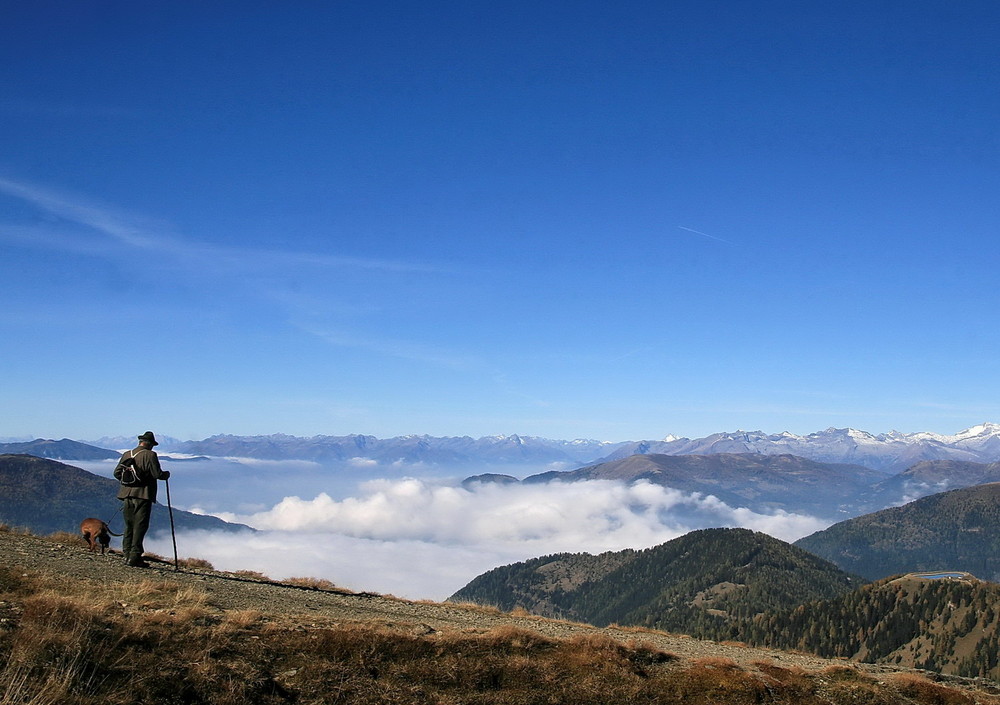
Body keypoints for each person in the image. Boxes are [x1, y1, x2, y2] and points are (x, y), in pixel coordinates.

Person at [114, 431, 170, 567]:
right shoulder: (150, 455)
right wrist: (166, 475)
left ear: (140, 442)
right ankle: (135, 556)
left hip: (126, 494)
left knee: (129, 525)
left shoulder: (127, 454)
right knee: (140, 525)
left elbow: (116, 473)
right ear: (149, 444)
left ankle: (126, 554)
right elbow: (157, 474)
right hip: (143, 494)